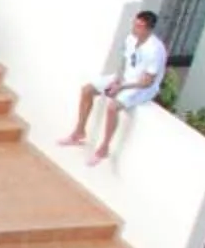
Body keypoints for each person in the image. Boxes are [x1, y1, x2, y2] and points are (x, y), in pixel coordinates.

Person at [62, 9, 168, 164]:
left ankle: (104, 148)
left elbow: (147, 82)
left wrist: (122, 87)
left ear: (148, 29)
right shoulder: (131, 39)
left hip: (141, 87)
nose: (134, 28)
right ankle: (79, 132)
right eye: (134, 24)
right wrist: (117, 79)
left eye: (139, 26)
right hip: (125, 79)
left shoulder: (155, 50)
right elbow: (124, 62)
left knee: (112, 107)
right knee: (87, 90)